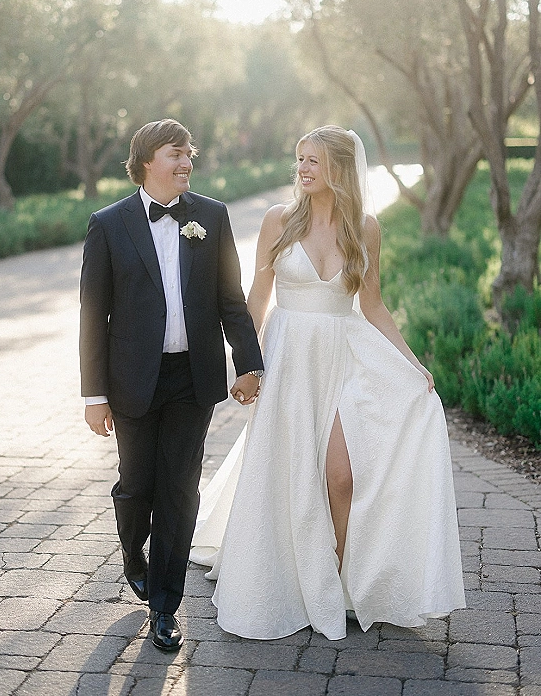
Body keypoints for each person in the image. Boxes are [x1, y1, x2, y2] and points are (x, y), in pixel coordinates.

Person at [190, 125, 466, 639]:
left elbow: (373, 303)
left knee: (341, 475)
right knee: (290, 469)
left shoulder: (365, 227)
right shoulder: (279, 221)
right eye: (300, 160)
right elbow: (258, 297)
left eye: (313, 161)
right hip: (289, 356)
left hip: (345, 355)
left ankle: (333, 580)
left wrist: (411, 363)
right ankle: (290, 575)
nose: (304, 169)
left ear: (339, 168)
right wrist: (247, 364)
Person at [80, 119, 263, 652]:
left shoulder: (211, 216)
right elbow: (94, 314)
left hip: (192, 377)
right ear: (145, 162)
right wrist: (94, 396)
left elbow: (231, 298)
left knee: (180, 490)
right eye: (174, 154)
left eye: (190, 153)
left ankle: (165, 606)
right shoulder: (108, 224)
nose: (186, 163)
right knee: (136, 485)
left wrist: (248, 363)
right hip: (131, 380)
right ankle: (132, 550)